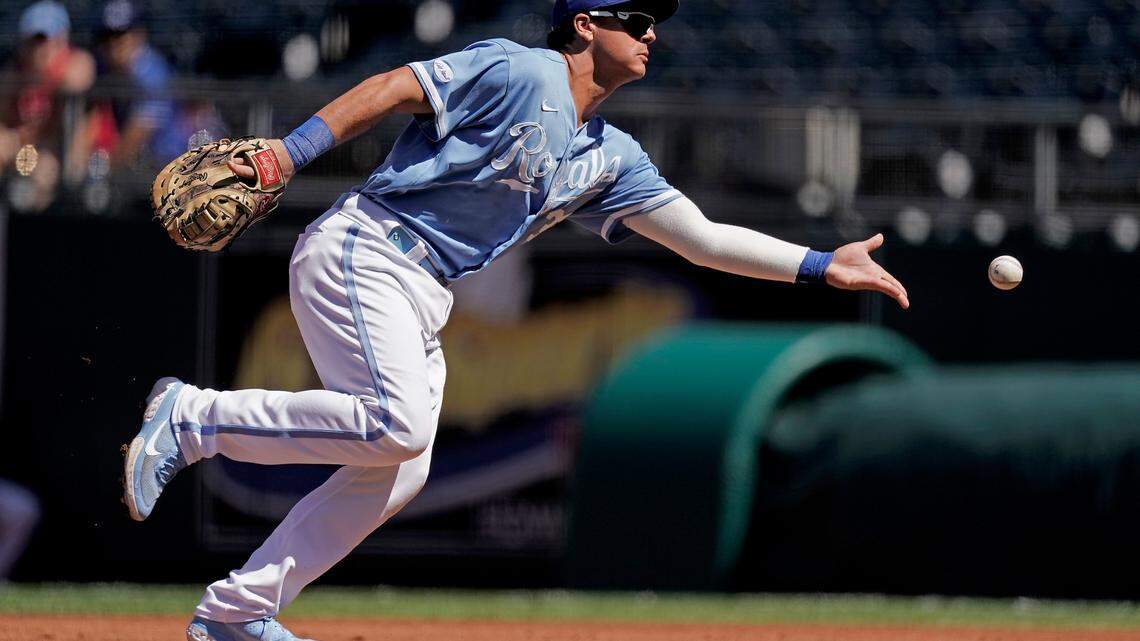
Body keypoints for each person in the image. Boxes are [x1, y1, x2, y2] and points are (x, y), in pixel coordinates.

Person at [124, 1, 910, 639]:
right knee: (396, 426)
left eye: (653, 22)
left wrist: (819, 262)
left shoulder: (611, 155)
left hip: (420, 290)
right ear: (585, 25)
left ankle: (237, 612)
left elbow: (701, 239)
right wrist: (292, 153)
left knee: (404, 464)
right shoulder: (518, 67)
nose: (651, 34)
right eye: (635, 19)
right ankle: (193, 418)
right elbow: (398, 86)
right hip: (366, 248)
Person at [0, 0, 95, 211]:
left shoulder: (76, 63)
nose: (39, 48)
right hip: (25, 149)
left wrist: (44, 77)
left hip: (61, 152)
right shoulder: (14, 71)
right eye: (33, 41)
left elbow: (78, 77)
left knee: (45, 171)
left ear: (61, 40)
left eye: (44, 40)